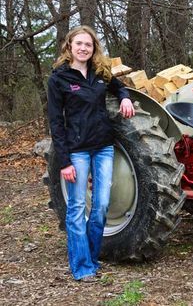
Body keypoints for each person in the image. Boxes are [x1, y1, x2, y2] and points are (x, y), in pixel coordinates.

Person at [47, 25, 135, 282]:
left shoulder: (100, 73)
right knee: (76, 208)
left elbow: (118, 87)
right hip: (77, 152)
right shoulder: (59, 79)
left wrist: (125, 97)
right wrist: (64, 161)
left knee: (101, 206)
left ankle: (92, 258)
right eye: (79, 44)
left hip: (103, 147)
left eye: (88, 44)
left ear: (93, 48)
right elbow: (55, 122)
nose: (84, 48)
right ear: (69, 46)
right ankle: (82, 267)